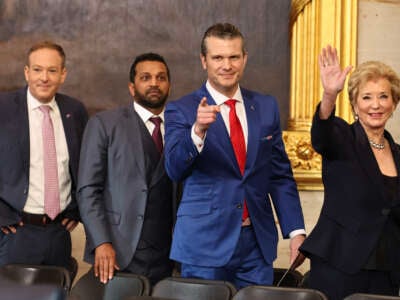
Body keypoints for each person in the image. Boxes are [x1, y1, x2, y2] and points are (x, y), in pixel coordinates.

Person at [164, 22, 305, 289]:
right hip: (203, 244)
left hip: (256, 243)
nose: (226, 65)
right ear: (204, 61)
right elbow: (173, 169)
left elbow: (280, 175)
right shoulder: (181, 109)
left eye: (233, 57)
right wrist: (197, 132)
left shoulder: (265, 106)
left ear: (244, 59)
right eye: (218, 57)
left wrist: (296, 231)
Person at [300, 45, 400, 299]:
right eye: (366, 97)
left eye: (383, 96)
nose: (375, 105)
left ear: (394, 103)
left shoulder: (398, 154)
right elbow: (321, 135)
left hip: (387, 270)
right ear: (355, 104)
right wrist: (329, 95)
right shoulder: (343, 137)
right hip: (339, 265)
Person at [77, 53, 176, 285]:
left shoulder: (180, 126)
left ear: (169, 85)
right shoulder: (104, 124)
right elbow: (87, 189)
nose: (154, 83)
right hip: (118, 251)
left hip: (168, 254)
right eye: (146, 77)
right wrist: (101, 242)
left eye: (161, 77)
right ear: (132, 87)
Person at [0, 41, 88, 271]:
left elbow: (86, 166)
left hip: (59, 234)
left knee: (56, 295)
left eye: (52, 70)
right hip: (16, 233)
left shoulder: (75, 111)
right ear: (27, 72)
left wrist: (77, 208)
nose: (44, 78)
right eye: (37, 70)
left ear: (63, 74)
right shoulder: (4, 108)